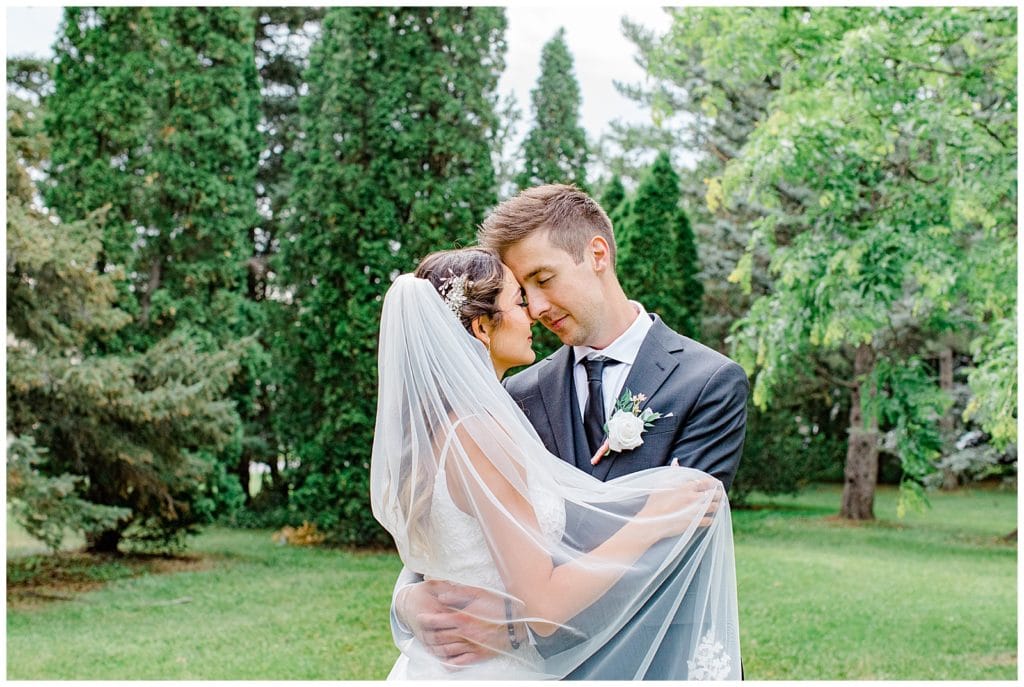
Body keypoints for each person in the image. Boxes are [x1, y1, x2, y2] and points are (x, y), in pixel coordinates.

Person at [391, 185, 749, 678]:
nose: (537, 307)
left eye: (544, 279)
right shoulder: (514, 393)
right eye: (523, 293)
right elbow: (460, 538)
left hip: (657, 659)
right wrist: (407, 601)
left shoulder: (708, 382)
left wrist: (517, 626)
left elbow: (678, 545)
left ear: (597, 254)